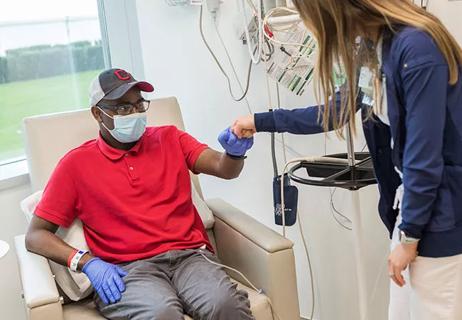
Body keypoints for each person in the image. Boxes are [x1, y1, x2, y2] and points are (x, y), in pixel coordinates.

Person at [231, 1, 462, 319]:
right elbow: (333, 112)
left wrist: (409, 238)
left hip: (440, 217)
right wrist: (260, 120)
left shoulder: (416, 48)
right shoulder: (373, 49)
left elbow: (424, 159)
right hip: (410, 212)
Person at [25, 68, 255, 320]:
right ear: (97, 114)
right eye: (123, 109)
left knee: (227, 307)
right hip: (128, 270)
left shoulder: (170, 138)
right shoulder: (75, 165)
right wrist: (86, 262)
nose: (134, 114)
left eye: (138, 105)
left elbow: (223, 169)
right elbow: (36, 235)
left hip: (190, 257)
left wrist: (233, 153)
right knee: (161, 314)